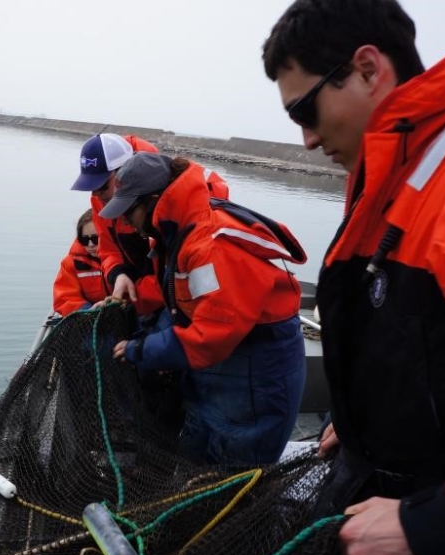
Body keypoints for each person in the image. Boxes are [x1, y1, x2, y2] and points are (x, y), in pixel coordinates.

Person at [262, 1, 445, 555]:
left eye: (306, 110)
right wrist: (360, 424)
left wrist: (431, 529)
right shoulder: (400, 171)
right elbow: (427, 342)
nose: (305, 140)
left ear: (366, 68)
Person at [104, 152, 307, 465]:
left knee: (232, 472)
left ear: (155, 200)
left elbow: (214, 334)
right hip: (217, 372)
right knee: (194, 457)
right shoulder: (176, 236)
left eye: (129, 211)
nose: (126, 223)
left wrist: (142, 349)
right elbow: (183, 310)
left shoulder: (210, 246)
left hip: (256, 373)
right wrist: (148, 335)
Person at [70, 133, 230, 318]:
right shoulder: (101, 199)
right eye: (92, 186)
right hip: (143, 296)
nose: (96, 194)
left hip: (176, 301)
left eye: (103, 185)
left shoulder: (186, 203)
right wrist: (119, 275)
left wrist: (133, 299)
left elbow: (179, 275)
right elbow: (108, 250)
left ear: (125, 171)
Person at [52, 209, 109, 315]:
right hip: (89, 318)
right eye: (84, 240)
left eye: (95, 238)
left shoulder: (127, 257)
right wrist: (89, 310)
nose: (91, 244)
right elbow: (64, 299)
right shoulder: (70, 264)